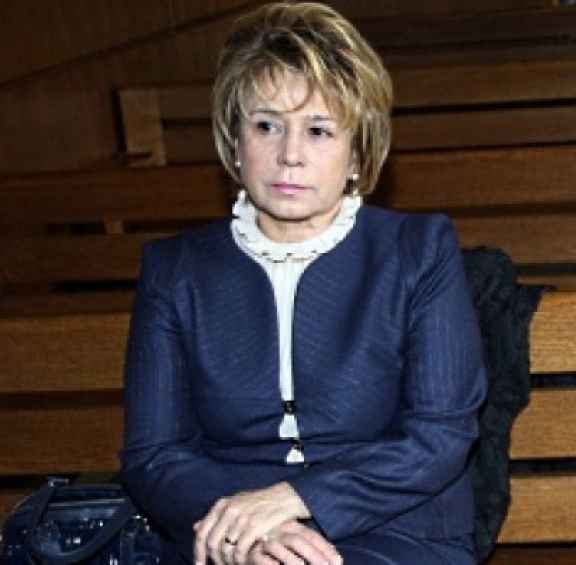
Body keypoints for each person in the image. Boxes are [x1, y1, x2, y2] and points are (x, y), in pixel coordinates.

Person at [119, 2, 487, 564]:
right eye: (266, 126)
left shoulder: (417, 251)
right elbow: (154, 454)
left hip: (397, 529)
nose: (289, 155)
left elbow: (438, 437)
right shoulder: (176, 270)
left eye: (318, 131)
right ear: (234, 141)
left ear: (358, 152)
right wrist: (250, 532)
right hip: (227, 533)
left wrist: (296, 498)